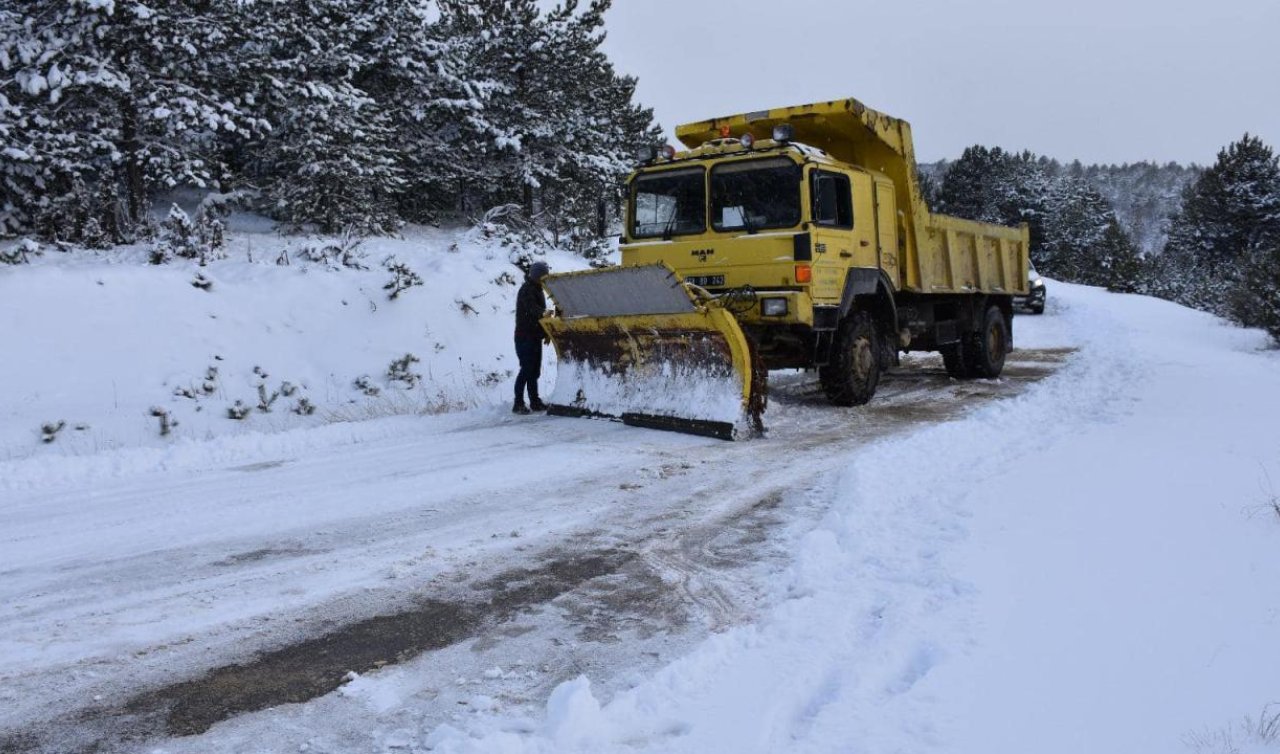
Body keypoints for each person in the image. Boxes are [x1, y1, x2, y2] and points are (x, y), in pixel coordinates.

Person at [513, 261, 550, 414]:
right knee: (526, 370)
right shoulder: (527, 290)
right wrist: (543, 313)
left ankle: (534, 401)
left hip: (534, 336)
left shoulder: (538, 289)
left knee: (534, 371)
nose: (545, 279)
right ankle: (518, 403)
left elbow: (537, 314)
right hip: (524, 337)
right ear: (537, 276)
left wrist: (546, 333)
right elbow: (532, 309)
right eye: (543, 276)